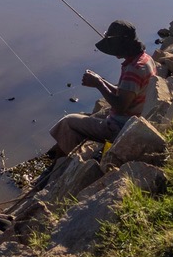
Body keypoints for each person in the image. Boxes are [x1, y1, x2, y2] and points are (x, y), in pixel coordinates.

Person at [48, 20, 157, 158]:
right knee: (87, 118)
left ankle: (77, 162)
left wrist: (99, 84)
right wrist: (102, 80)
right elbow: (126, 92)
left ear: (123, 46)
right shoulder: (145, 59)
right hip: (135, 119)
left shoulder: (133, 70)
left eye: (114, 46)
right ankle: (69, 156)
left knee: (67, 122)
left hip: (122, 126)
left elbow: (121, 105)